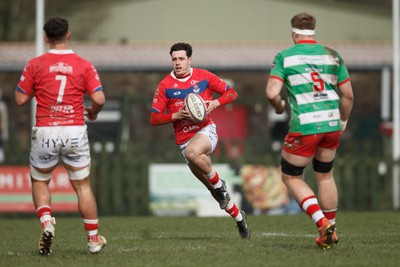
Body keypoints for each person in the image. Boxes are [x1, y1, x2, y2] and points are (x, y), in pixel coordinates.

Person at [15, 16, 107, 255]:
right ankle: (93, 240)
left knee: (40, 180)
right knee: (83, 187)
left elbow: (20, 99)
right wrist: (94, 112)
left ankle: (47, 222)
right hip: (74, 129)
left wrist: (35, 85)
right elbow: (98, 98)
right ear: (68, 34)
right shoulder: (83, 64)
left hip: (46, 129)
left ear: (46, 38)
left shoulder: (34, 64)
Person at [265, 12, 354, 250]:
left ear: (294, 34)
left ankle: (322, 223)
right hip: (332, 123)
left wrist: (279, 106)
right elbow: (348, 95)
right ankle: (332, 228)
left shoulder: (285, 56)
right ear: (313, 31)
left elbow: (272, 92)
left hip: (305, 125)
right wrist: (342, 122)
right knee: (325, 175)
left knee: (291, 176)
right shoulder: (332, 56)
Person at [150, 42, 250, 239]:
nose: (177, 63)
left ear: (189, 60)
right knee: (215, 192)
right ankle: (240, 219)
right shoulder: (165, 86)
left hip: (206, 131)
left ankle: (219, 182)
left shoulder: (204, 76)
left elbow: (232, 93)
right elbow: (154, 118)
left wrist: (215, 102)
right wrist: (176, 116)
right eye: (174, 59)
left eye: (181, 59)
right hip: (184, 141)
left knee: (193, 153)